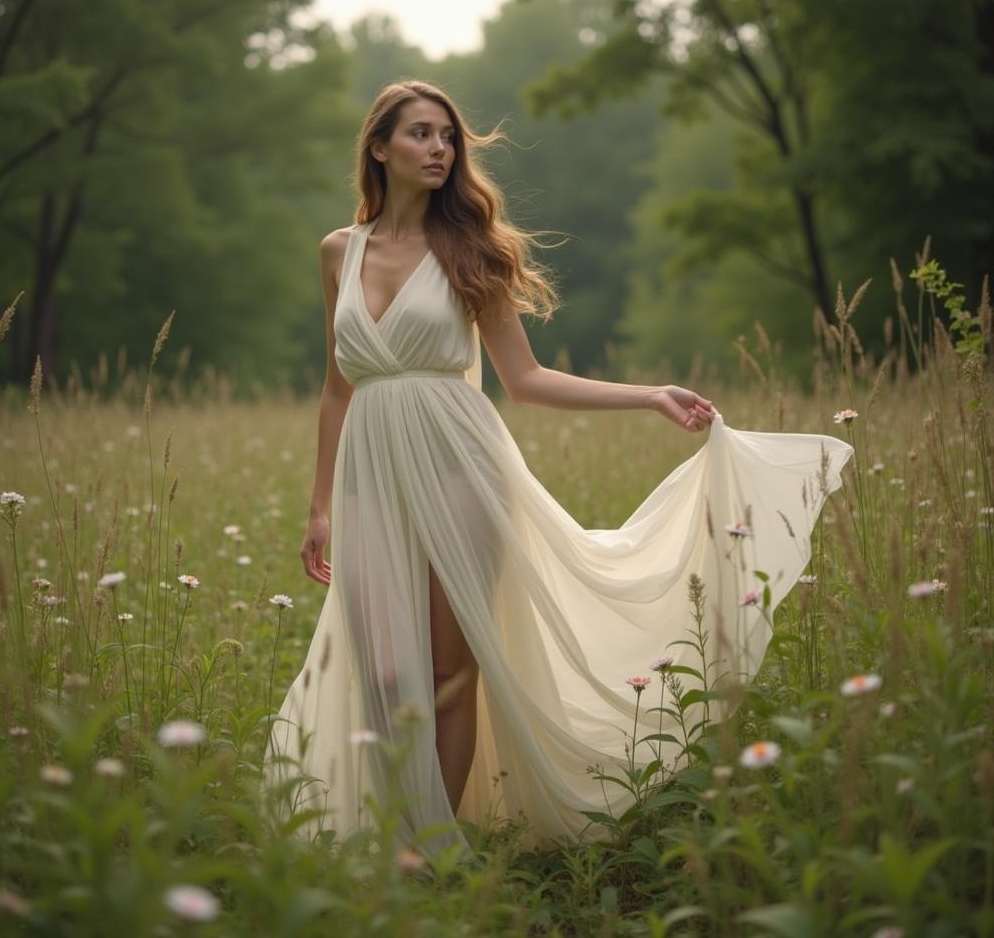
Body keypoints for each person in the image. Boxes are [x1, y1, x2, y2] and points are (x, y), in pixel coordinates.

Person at [263, 79, 852, 857]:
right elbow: (339, 387)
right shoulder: (340, 251)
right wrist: (319, 505)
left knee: (448, 670)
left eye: (448, 136)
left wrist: (649, 395)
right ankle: (395, 838)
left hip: (460, 471)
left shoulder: (471, 250)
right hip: (370, 473)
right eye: (421, 134)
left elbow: (527, 380)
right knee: (384, 674)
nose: (440, 148)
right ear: (379, 148)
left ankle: (434, 855)